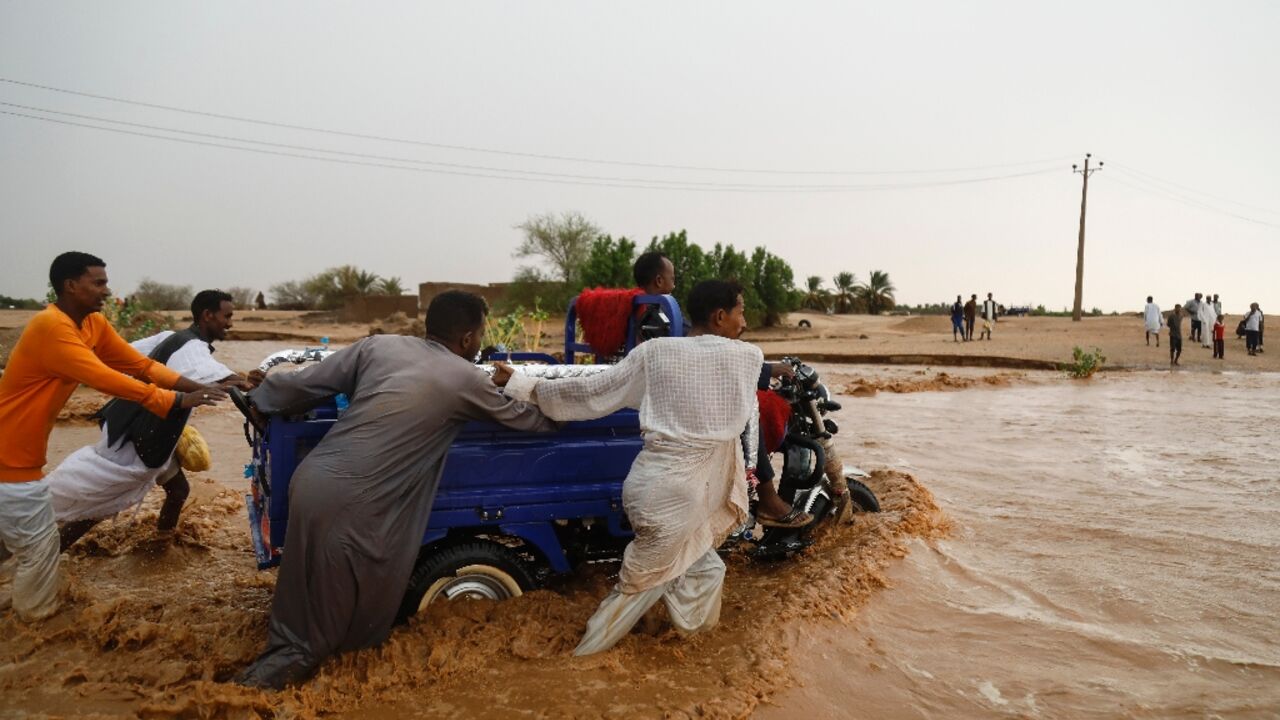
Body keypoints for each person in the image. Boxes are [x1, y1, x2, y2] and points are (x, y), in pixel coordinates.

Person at [236, 290, 555, 690]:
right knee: (344, 609)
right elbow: (529, 421)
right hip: (354, 499)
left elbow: (305, 384)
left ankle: (282, 663)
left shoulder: (379, 346)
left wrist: (259, 394)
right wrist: (569, 404)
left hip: (312, 479)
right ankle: (263, 690)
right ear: (469, 338)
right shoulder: (465, 378)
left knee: (303, 591)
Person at [494, 280, 763, 656]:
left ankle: (692, 642)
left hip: (650, 488)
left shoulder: (654, 353)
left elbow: (592, 391)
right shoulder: (747, 358)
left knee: (706, 570)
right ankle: (581, 658)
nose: (745, 322)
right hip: (678, 501)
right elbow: (747, 384)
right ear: (720, 316)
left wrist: (523, 384)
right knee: (636, 587)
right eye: (741, 311)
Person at [0, 252, 224, 621]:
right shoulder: (52, 328)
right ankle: (35, 622)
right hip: (10, 457)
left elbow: (141, 365)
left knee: (25, 539)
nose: (107, 289)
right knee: (38, 546)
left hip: (24, 457)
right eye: (99, 282)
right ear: (71, 285)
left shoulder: (93, 324)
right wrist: (176, 399)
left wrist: (195, 386)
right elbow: (105, 378)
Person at [48, 290, 262, 550]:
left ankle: (159, 547)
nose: (230, 323)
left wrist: (241, 381)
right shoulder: (192, 348)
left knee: (178, 490)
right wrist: (247, 386)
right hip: (137, 438)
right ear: (207, 315)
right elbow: (214, 376)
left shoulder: (172, 338)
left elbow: (125, 356)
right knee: (99, 505)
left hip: (132, 425)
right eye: (227, 316)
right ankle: (46, 551)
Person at [633, 251, 677, 341]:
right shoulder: (667, 311)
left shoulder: (628, 310)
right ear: (659, 281)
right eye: (672, 280)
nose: (674, 286)